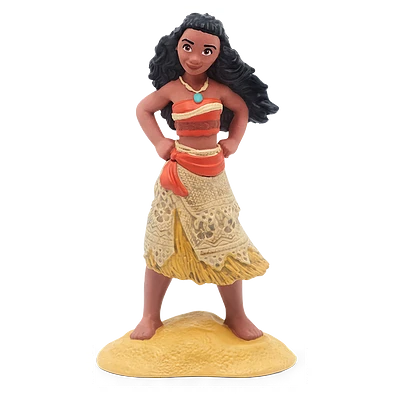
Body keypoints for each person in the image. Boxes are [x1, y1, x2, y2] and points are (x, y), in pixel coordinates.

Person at [132, 13, 280, 341]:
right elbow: (142, 109)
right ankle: (150, 316)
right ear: (176, 47)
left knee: (226, 245)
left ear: (218, 54)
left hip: (213, 176)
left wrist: (234, 141)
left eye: (207, 50)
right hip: (178, 176)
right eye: (188, 47)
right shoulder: (172, 89)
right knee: (163, 246)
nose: (196, 58)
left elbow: (242, 109)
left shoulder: (220, 90)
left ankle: (236, 314)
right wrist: (160, 142)